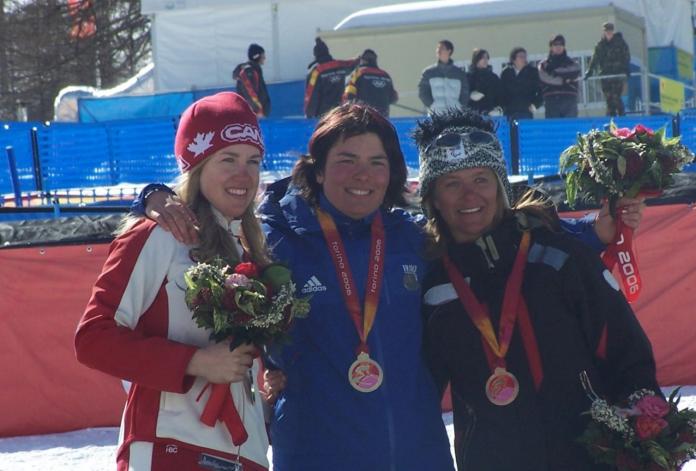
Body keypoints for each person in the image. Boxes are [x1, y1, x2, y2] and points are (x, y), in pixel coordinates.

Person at [415, 108, 660, 471]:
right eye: (452, 183)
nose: (470, 196)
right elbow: (418, 395)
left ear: (500, 187)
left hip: (589, 458)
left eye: (481, 179)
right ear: (433, 197)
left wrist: (647, 436)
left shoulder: (558, 258)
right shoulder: (430, 283)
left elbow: (627, 354)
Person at [74, 92, 271, 470]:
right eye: (227, 159)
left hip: (244, 452)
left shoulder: (250, 245)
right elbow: (92, 339)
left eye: (253, 161)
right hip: (170, 446)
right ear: (196, 167)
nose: (243, 175)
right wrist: (195, 362)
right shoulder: (158, 235)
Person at [304, 37, 358, 118]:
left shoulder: (317, 71)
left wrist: (309, 114)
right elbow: (352, 64)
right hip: (340, 112)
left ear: (315, 54)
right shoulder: (341, 65)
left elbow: (311, 94)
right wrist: (360, 58)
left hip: (324, 115)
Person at [585, 22, 631, 116]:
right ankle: (611, 121)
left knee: (616, 97)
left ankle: (622, 116)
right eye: (607, 31)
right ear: (604, 32)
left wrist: (626, 69)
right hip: (605, 76)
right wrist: (590, 71)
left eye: (610, 31)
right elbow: (595, 59)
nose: (609, 33)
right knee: (609, 100)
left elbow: (626, 56)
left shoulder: (620, 43)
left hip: (617, 75)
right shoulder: (600, 45)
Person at [418, 39, 470, 114]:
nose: (438, 50)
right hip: (436, 115)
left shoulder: (459, 73)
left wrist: (459, 106)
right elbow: (422, 92)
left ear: (449, 51)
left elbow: (465, 93)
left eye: (441, 48)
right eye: (437, 48)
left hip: (454, 115)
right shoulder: (428, 72)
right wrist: (432, 105)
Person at [343, 49, 398, 117]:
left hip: (363, 116)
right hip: (383, 118)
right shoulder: (385, 75)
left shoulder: (358, 73)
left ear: (362, 60)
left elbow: (348, 95)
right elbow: (394, 98)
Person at [539, 34, 581, 118]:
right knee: (553, 128)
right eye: (555, 44)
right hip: (551, 100)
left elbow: (575, 71)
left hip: (569, 99)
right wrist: (564, 80)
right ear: (551, 47)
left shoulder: (572, 63)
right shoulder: (544, 64)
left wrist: (554, 72)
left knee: (570, 128)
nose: (558, 47)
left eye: (561, 44)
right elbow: (544, 77)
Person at [500, 47, 543, 120]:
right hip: (509, 112)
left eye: (525, 57)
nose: (524, 59)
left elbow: (541, 90)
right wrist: (502, 107)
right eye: (521, 56)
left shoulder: (532, 72)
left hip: (525, 110)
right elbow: (501, 92)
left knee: (525, 130)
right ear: (513, 59)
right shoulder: (506, 73)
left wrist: (535, 105)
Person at [233, 43, 271, 118]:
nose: (265, 58)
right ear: (257, 56)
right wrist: (258, 111)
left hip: (255, 114)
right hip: (253, 115)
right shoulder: (249, 71)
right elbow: (250, 92)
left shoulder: (255, 70)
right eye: (263, 55)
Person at [467, 48, 503, 116]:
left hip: (491, 113)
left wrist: (499, 108)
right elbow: (463, 95)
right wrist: (470, 95)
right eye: (482, 58)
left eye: (487, 58)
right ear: (476, 59)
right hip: (474, 114)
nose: (485, 60)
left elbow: (500, 95)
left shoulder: (493, 77)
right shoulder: (469, 77)